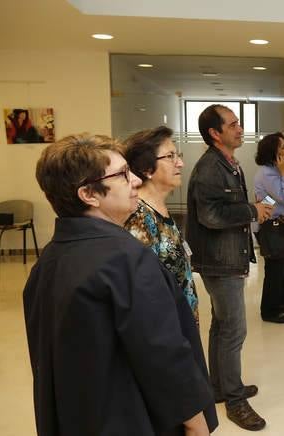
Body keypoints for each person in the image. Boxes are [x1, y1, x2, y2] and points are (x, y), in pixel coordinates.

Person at [24, 133, 216, 436]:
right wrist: (195, 423)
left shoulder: (48, 260)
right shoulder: (126, 259)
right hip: (127, 418)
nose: (136, 181)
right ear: (89, 194)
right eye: (122, 175)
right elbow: (162, 354)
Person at [185, 104, 272, 431]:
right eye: (233, 124)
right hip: (219, 262)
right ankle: (235, 401)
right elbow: (211, 216)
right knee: (234, 329)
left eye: (239, 123)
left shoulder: (229, 164)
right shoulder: (210, 168)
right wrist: (251, 211)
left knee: (222, 326)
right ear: (215, 133)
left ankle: (219, 387)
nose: (240, 128)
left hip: (228, 257)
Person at [123, 126, 200, 324]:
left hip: (181, 320)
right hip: (164, 328)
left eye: (178, 155)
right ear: (146, 168)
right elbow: (142, 290)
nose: (180, 163)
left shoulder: (159, 208)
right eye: (170, 156)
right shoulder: (139, 216)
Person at [254, 132, 284, 324]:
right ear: (272, 152)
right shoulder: (267, 173)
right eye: (282, 147)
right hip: (272, 226)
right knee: (275, 269)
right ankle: (269, 310)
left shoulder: (281, 168)